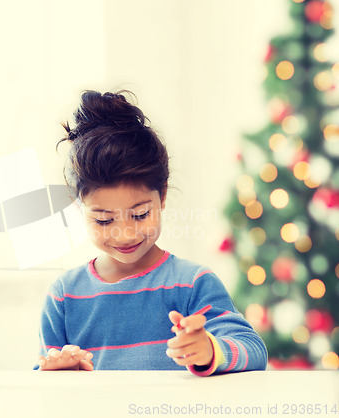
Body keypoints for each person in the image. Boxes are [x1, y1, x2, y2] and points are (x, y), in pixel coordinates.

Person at [36, 90, 267, 375]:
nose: (125, 235)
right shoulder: (64, 296)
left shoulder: (192, 284)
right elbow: (42, 375)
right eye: (104, 220)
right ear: (79, 208)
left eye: (140, 214)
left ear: (163, 196)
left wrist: (209, 350)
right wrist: (61, 374)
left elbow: (253, 349)